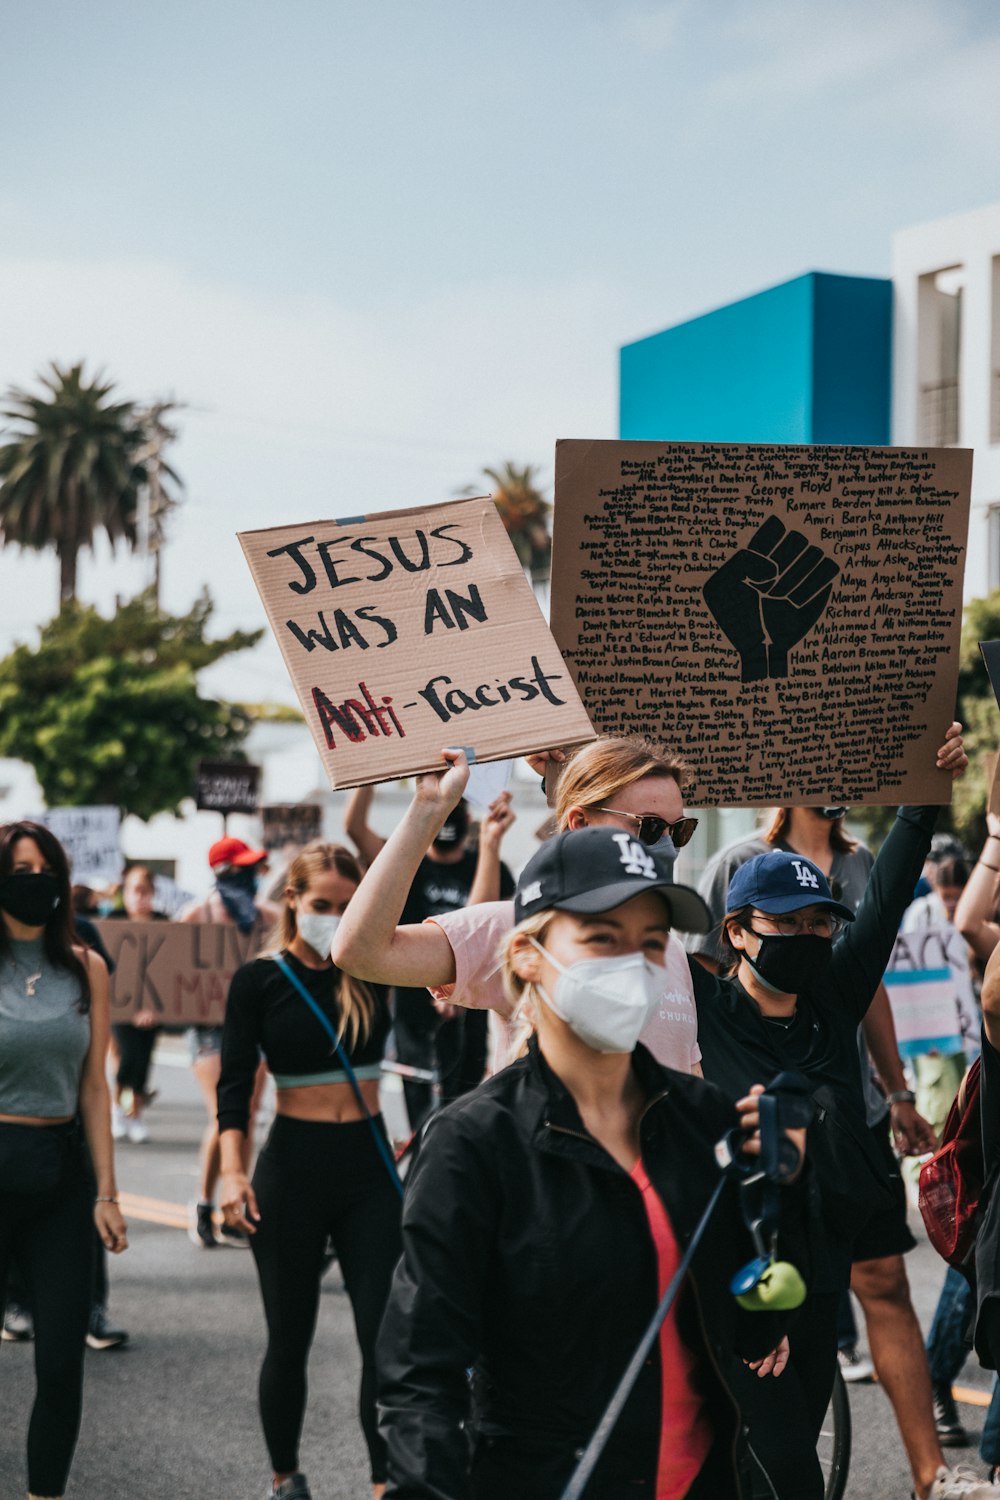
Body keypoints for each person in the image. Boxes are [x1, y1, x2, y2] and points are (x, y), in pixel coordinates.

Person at [377, 783, 807, 1500]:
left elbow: (750, 1326)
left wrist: (776, 1197)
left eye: (648, 941)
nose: (629, 963)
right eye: (601, 938)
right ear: (527, 956)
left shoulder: (702, 1120)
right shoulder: (471, 1144)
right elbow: (420, 1380)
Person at [687, 724, 987, 1500]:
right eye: (785, 923)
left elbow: (887, 890)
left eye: (820, 921)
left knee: (790, 1456)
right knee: (749, 1454)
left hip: (816, 1264)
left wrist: (924, 794)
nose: (807, 936)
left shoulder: (833, 992)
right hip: (727, 1261)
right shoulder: (697, 1009)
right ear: (737, 931)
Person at [332, 735, 706, 1078]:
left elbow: (687, 1081)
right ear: (580, 822)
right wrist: (428, 809)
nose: (668, 847)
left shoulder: (667, 947)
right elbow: (362, 951)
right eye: (651, 827)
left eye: (680, 831)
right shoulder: (520, 926)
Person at [217, 841, 396, 1500]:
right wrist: (232, 1174)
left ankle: (385, 1483)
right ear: (291, 900)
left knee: (385, 1341)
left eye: (348, 906)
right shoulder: (258, 980)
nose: (334, 916)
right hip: (290, 1170)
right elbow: (234, 1087)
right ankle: (285, 1477)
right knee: (289, 1338)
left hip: (370, 1170)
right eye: (322, 904)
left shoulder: (378, 968)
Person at [0, 820, 128, 1500]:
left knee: (60, 1364)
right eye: (19, 868)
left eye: (44, 867)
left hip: (59, 1175)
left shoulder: (86, 965)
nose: (34, 879)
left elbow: (94, 1087)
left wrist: (107, 1191)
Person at [345, 785, 515, 1129]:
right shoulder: (412, 866)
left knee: (464, 1115)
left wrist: (489, 844)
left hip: (469, 1008)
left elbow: (479, 929)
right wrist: (366, 775)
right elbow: (355, 830)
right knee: (422, 1118)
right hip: (415, 1011)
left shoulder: (487, 863)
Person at [179, 836, 277, 1248]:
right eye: (243, 868)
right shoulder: (196, 916)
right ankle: (204, 1202)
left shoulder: (267, 918)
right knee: (225, 1112)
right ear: (223, 871)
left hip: (254, 1027)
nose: (251, 877)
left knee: (248, 1114)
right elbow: (167, 973)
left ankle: (236, 1203)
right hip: (209, 1029)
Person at [107, 864, 167, 1144]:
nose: (140, 897)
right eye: (135, 891)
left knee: (143, 1064)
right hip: (121, 1007)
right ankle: (118, 1109)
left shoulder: (164, 923)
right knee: (128, 1058)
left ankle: (135, 1114)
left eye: (145, 891)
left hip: (152, 1009)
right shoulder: (113, 921)